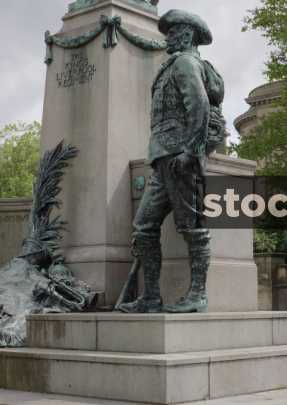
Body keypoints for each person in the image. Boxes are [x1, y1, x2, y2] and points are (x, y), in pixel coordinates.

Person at [119, 9, 224, 314]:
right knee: (143, 226)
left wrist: (191, 152)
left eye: (174, 32)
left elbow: (199, 104)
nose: (169, 38)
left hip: (179, 157)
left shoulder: (185, 62)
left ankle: (197, 295)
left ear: (188, 34)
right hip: (163, 159)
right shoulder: (172, 64)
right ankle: (151, 296)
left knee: (192, 227)